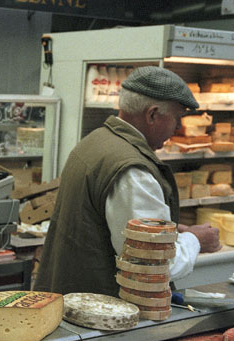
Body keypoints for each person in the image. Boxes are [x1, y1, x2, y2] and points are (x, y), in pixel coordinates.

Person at [33, 66, 221, 296]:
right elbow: (153, 266)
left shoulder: (97, 140)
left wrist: (169, 228)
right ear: (152, 114)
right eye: (177, 118)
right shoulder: (133, 171)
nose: (179, 127)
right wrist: (196, 240)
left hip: (71, 296)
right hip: (105, 310)